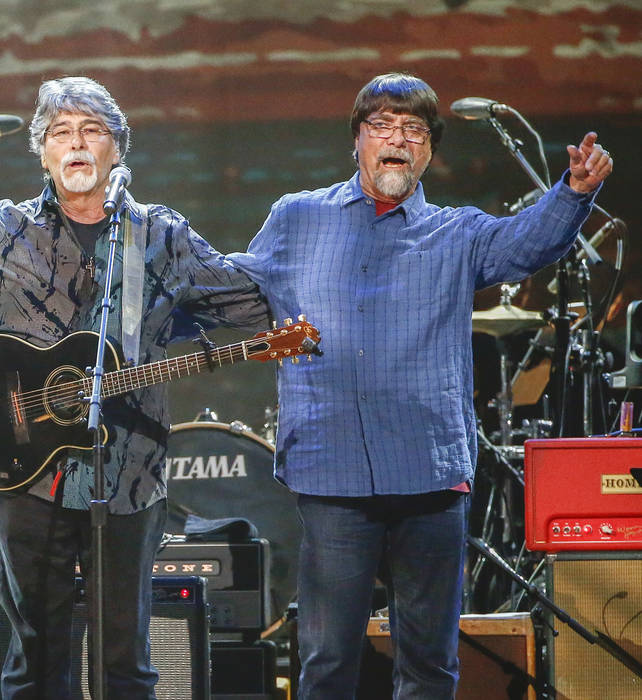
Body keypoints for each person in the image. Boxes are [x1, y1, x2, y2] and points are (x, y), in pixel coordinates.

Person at [0, 76, 268, 698]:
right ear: (42, 151)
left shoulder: (158, 235)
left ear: (117, 147)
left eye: (92, 131)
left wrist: (179, 319)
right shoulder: (8, 230)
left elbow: (244, 304)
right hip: (25, 472)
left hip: (129, 474)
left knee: (128, 660)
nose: (77, 144)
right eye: (61, 133)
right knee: (36, 656)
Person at [228, 72, 612, 698]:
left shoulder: (456, 232)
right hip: (332, 471)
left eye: (413, 130)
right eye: (382, 126)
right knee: (326, 659)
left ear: (429, 149)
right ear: (356, 139)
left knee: (430, 661)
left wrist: (572, 193)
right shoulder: (296, 218)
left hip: (430, 471)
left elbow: (527, 243)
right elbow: (234, 288)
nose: (397, 140)